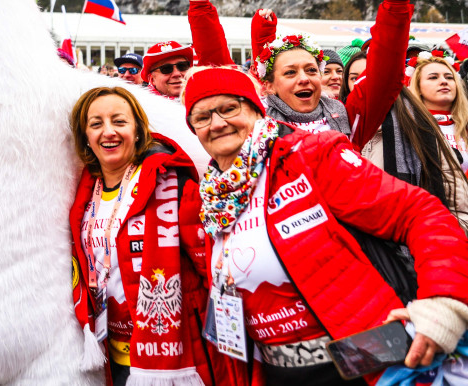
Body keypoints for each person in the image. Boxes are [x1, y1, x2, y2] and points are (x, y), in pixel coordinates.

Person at [183, 66, 468, 385]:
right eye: (202, 117)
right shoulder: (212, 198)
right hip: (275, 371)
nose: (217, 123)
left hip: (360, 363)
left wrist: (444, 301)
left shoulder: (310, 155)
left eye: (229, 108)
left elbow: (420, 213)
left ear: (256, 109)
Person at [68, 86, 214, 386]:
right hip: (111, 354)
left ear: (137, 130)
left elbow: (209, 264)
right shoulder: (82, 194)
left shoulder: (170, 181)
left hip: (176, 356)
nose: (108, 132)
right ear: (85, 138)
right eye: (96, 124)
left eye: (119, 121)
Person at [249, 0, 419, 149]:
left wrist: (395, 1)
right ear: (268, 86)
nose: (304, 79)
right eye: (290, 73)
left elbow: (384, 78)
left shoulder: (348, 119)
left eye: (311, 70)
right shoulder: (252, 123)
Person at [408, 53, 468, 164]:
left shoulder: (466, 124)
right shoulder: (406, 125)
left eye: (449, 77)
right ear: (418, 87)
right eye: (433, 77)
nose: (444, 81)